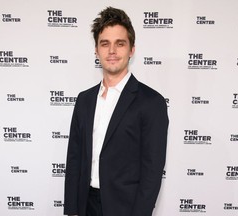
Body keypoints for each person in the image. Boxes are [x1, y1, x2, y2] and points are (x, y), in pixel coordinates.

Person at [64, 7, 169, 216]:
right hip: (86, 205)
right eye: (105, 44)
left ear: (131, 50)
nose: (112, 51)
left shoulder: (151, 102)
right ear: (96, 50)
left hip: (126, 208)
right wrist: (72, 209)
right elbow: (74, 159)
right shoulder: (84, 100)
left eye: (120, 44)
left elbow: (152, 172)